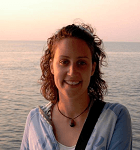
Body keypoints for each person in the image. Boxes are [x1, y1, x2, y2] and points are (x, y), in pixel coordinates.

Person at [20, 23, 132, 150]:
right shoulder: (35, 120)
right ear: (52, 66)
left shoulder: (115, 117)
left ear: (92, 68)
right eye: (64, 62)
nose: (72, 72)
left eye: (81, 63)